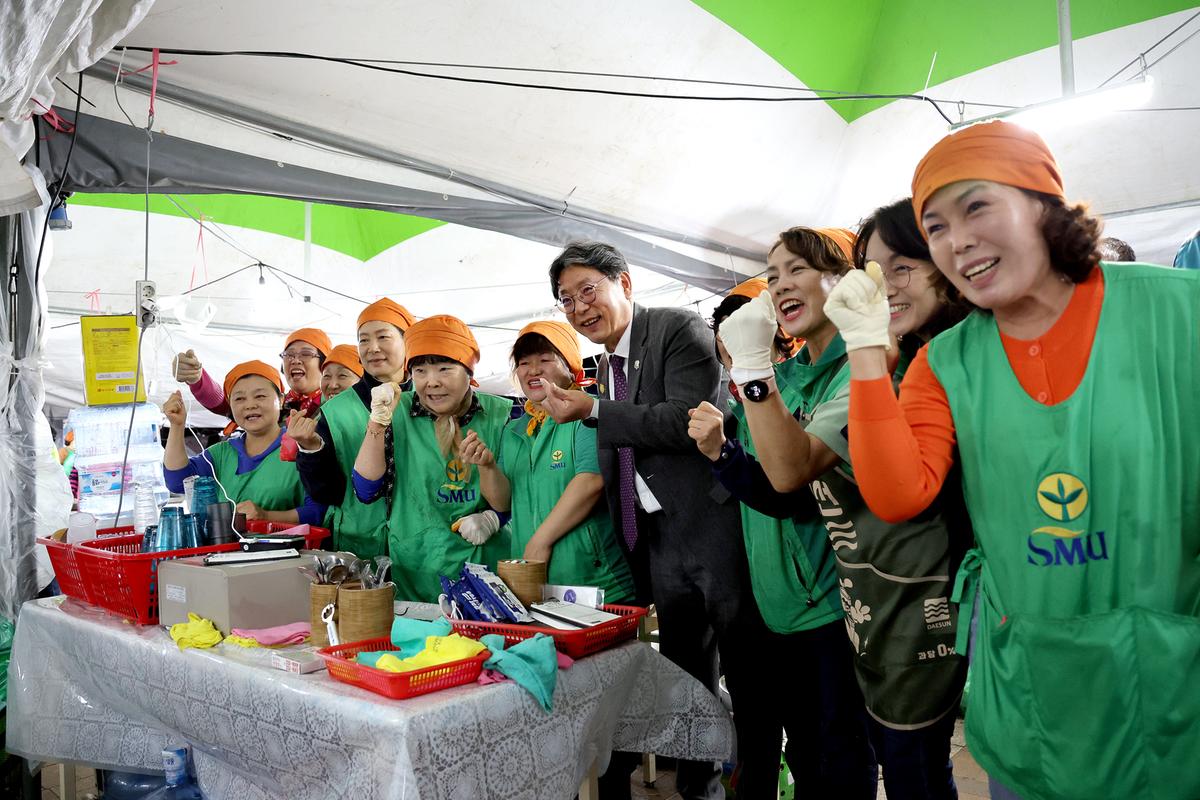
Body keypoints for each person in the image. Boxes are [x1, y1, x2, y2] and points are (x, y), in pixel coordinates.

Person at [823, 120, 1200, 800]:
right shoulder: (946, 361)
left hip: (1176, 680)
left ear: (1046, 204)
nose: (956, 239)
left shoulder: (1179, 311)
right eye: (935, 226)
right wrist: (863, 353)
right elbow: (898, 493)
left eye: (976, 206)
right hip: (1032, 690)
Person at [719, 225, 970, 799]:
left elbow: (787, 474)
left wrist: (753, 372)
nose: (780, 282)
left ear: (848, 281)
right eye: (772, 271)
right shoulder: (793, 375)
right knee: (838, 753)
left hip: (887, 598)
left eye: (797, 268)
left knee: (897, 763)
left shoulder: (875, 361)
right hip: (835, 600)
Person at [538, 242, 774, 800]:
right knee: (687, 679)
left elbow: (684, 421)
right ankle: (700, 789)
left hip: (713, 531)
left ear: (625, 282)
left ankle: (757, 783)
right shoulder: (605, 366)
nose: (578, 307)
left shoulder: (676, 328)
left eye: (587, 290)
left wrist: (592, 410)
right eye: (566, 300)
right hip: (661, 540)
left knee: (746, 675)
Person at [688, 277, 878, 799]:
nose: (732, 349)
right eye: (725, 339)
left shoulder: (795, 394)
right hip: (772, 606)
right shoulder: (746, 404)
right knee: (795, 744)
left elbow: (788, 492)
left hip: (822, 602)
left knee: (835, 744)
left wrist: (723, 454)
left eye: (745, 332)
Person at [458, 321, 635, 602]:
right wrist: (487, 466)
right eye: (524, 362)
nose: (533, 370)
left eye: (545, 359)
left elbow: (591, 481)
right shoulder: (515, 430)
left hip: (592, 579)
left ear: (569, 365)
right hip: (531, 578)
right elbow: (503, 503)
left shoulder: (588, 412)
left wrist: (540, 541)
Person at [351, 315, 512, 602]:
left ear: (469, 372)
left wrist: (494, 518)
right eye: (421, 371)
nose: (432, 382)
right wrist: (376, 423)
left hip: (488, 571)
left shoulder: (503, 415)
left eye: (445, 369)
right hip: (416, 570)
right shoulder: (396, 411)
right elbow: (366, 490)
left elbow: (523, 495)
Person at [291, 299, 414, 559]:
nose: (373, 348)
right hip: (357, 545)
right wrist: (311, 449)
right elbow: (327, 493)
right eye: (364, 340)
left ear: (408, 342)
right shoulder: (336, 411)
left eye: (383, 337)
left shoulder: (428, 401)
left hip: (422, 545)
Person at [161, 361, 325, 524]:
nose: (250, 405)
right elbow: (178, 482)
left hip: (291, 549)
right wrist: (177, 425)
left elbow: (318, 511)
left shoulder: (302, 446)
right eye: (239, 398)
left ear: (281, 400)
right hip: (229, 549)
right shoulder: (221, 454)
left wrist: (266, 516)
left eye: (260, 396)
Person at [171, 327, 333, 419]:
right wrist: (198, 380)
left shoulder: (336, 404)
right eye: (289, 354)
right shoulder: (278, 402)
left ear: (324, 363)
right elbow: (226, 404)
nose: (295, 360)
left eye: (306, 354)